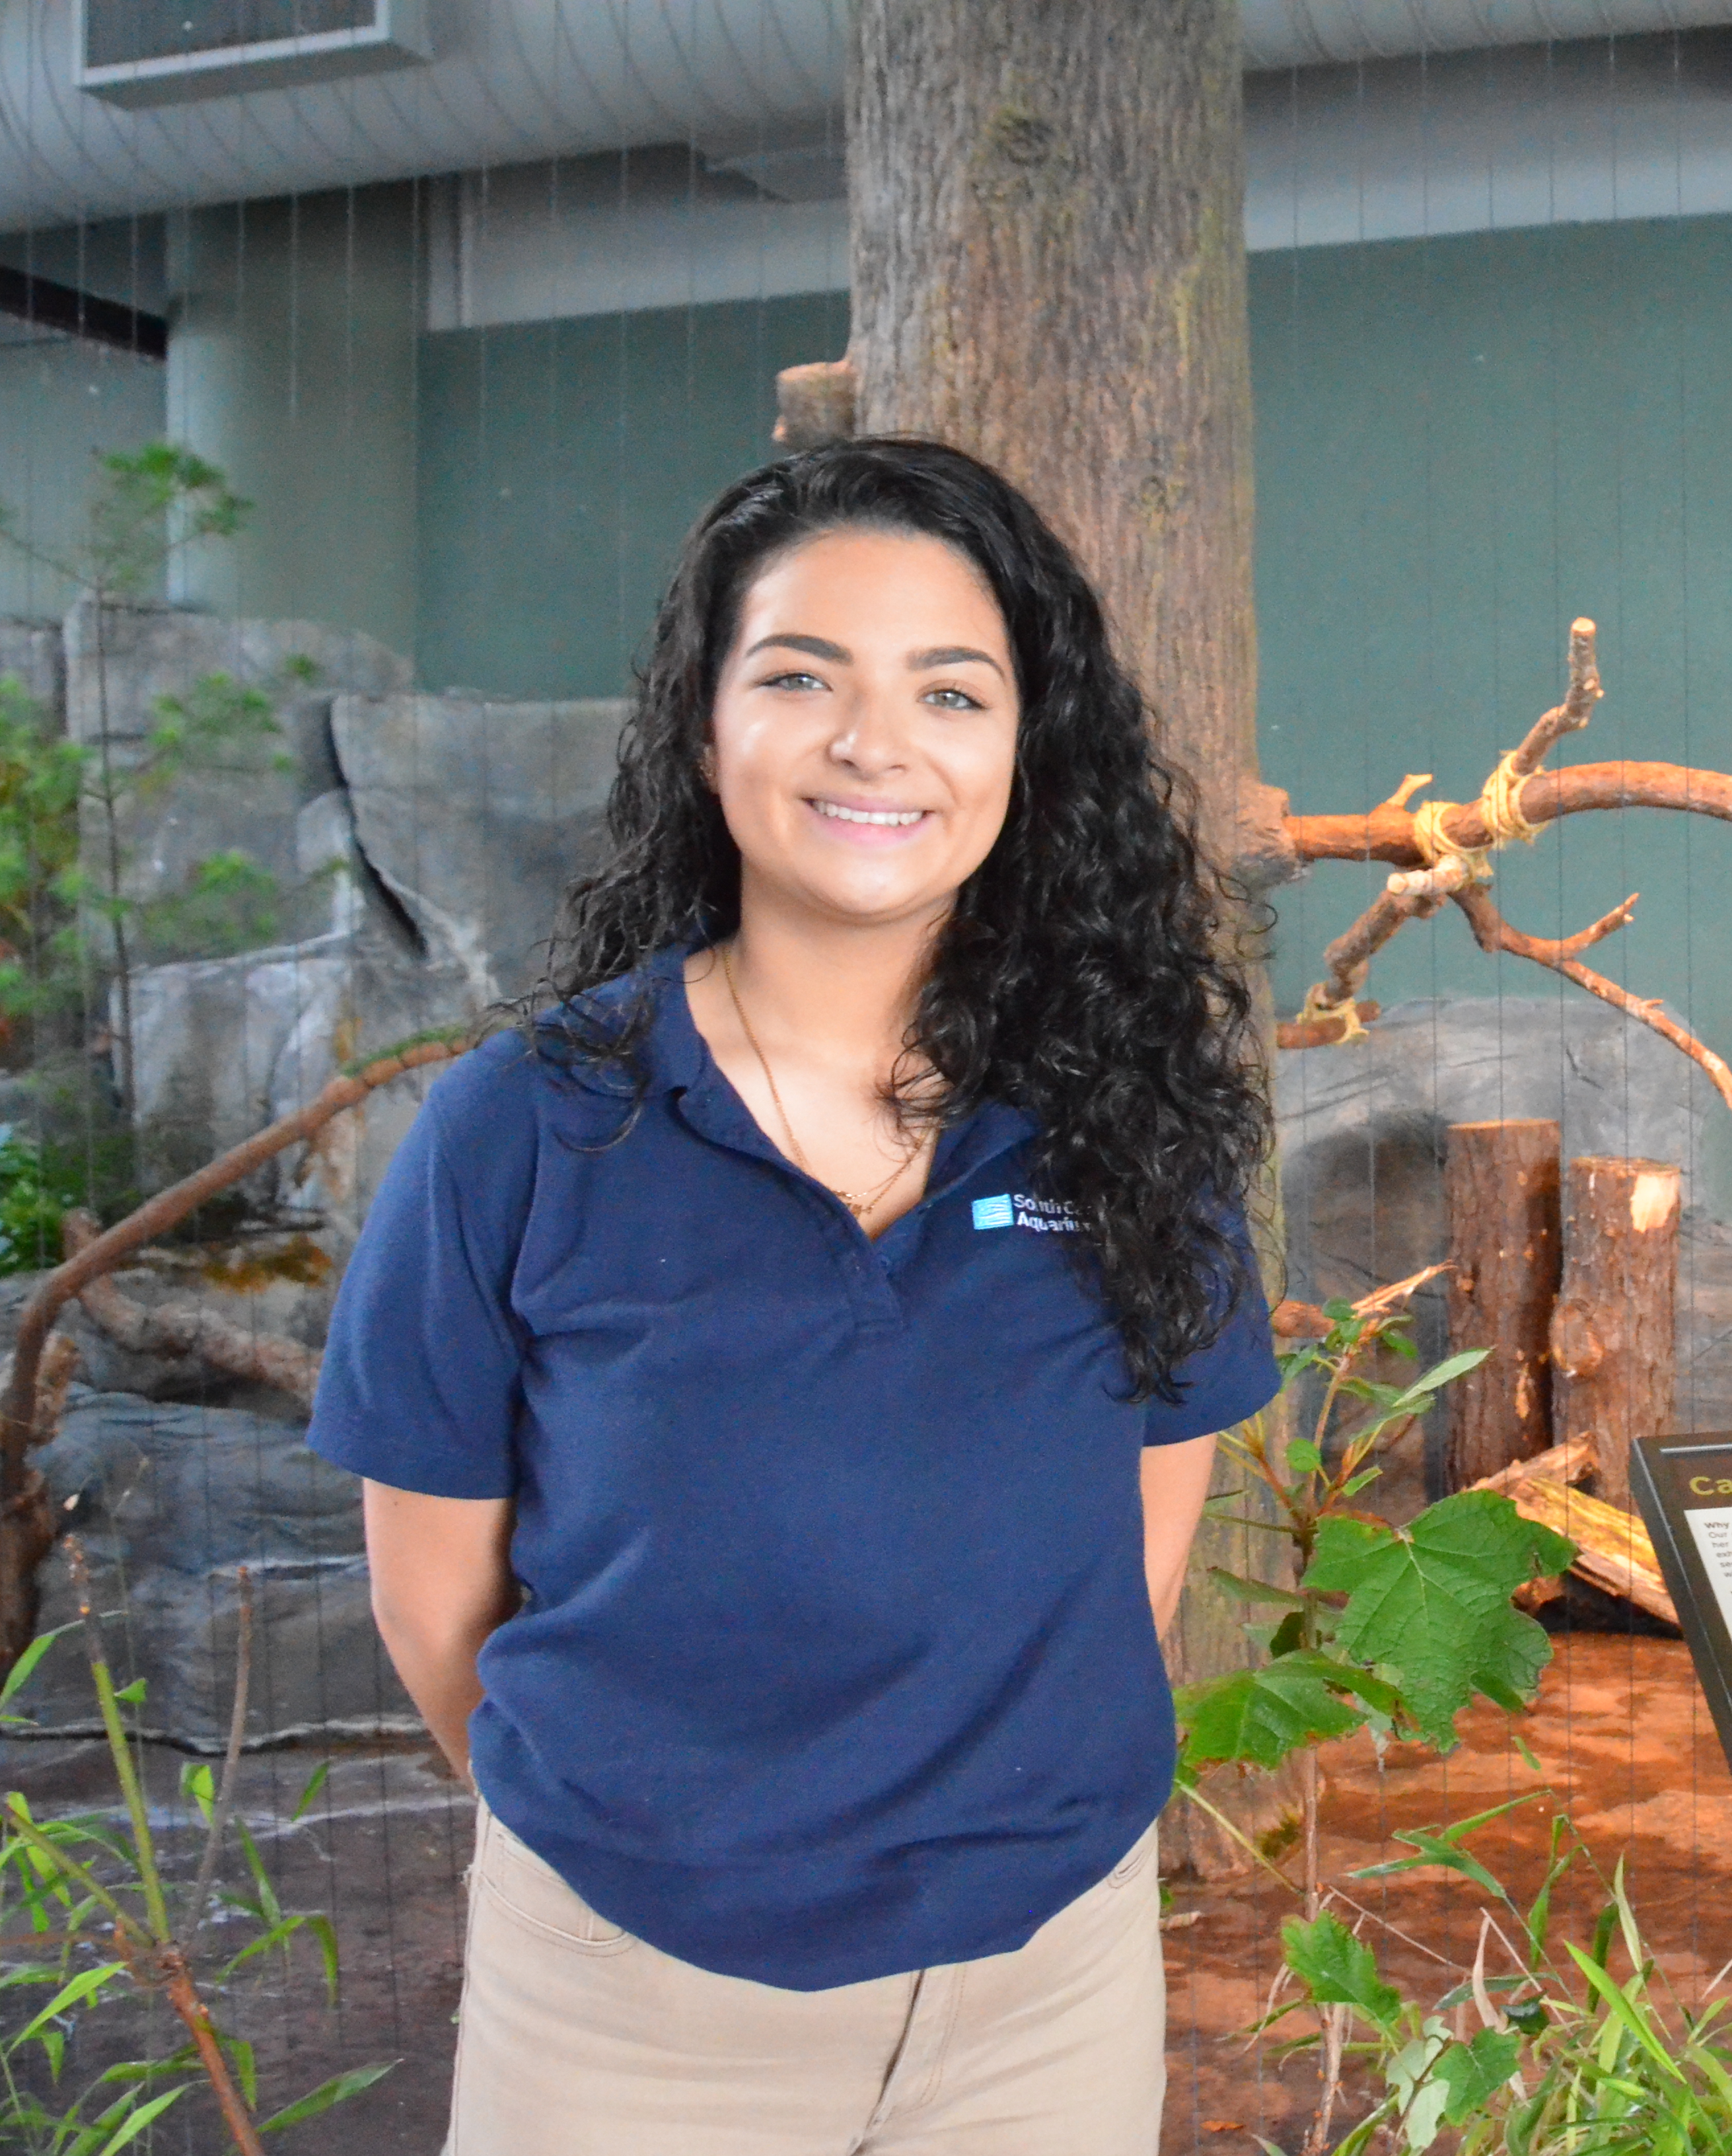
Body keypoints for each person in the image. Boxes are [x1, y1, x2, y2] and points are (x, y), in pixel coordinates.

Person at [308, 438, 1277, 2153]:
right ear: (703, 725)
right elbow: (432, 1601)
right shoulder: (523, 1130)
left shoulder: (1132, 1123)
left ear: (1028, 748)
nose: (876, 744)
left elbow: (1136, 1555)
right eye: (802, 676)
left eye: (952, 691)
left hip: (1047, 1983)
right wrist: (657, 1852)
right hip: (630, 2002)